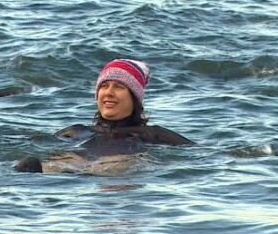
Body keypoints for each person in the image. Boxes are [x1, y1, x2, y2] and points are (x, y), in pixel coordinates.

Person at [15, 59, 193, 173]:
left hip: (113, 171)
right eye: (104, 86)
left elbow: (202, 155)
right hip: (67, 173)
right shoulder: (77, 131)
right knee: (28, 164)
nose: (109, 93)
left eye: (119, 87)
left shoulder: (154, 135)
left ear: (135, 97)